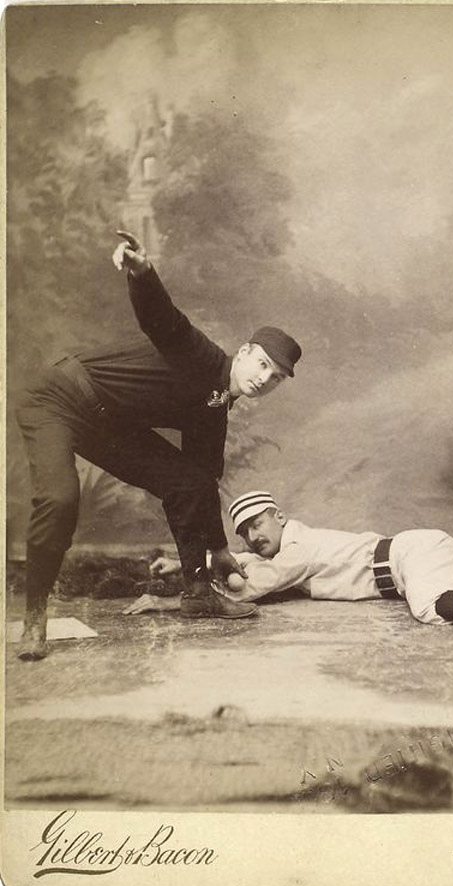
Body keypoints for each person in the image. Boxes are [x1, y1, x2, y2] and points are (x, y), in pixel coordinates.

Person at [15, 231, 302, 660]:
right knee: (59, 500)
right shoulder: (202, 357)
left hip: (105, 423)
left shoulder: (215, 405)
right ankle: (34, 619)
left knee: (188, 479)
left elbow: (202, 478)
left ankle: (199, 593)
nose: (264, 378)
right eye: (262, 364)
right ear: (243, 353)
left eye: (275, 377)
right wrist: (143, 272)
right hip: (57, 397)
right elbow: (163, 319)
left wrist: (219, 548)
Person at [124, 451, 453, 648]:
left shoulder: (297, 551)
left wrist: (166, 602)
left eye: (257, 524)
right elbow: (250, 564)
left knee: (432, 605)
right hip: (422, 549)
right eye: (243, 531)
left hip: (409, 560)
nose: (251, 536)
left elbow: (245, 592)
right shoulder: (290, 548)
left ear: (280, 517)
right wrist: (194, 562)